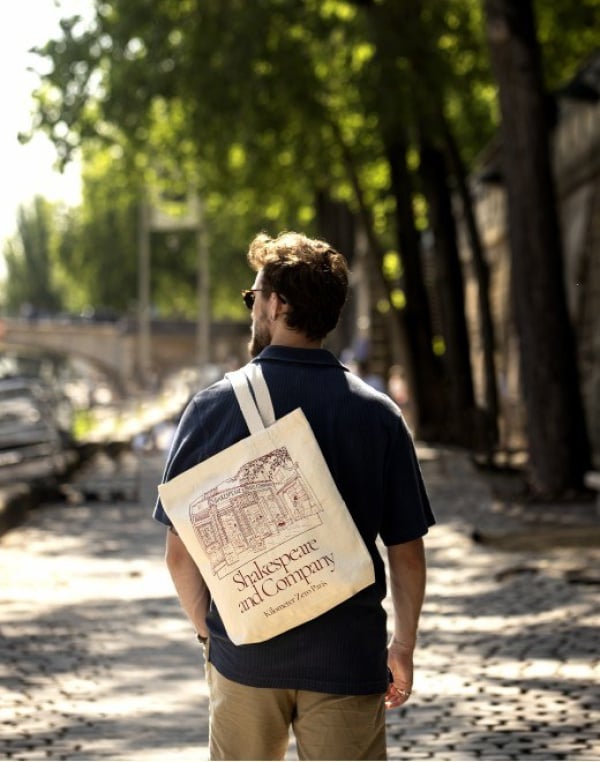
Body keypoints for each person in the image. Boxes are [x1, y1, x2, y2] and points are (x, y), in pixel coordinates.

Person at [153, 231, 435, 761]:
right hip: (348, 659)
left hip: (247, 659)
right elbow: (407, 552)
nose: (252, 309)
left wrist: (215, 637)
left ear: (277, 303)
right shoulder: (378, 415)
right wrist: (402, 648)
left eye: (252, 297)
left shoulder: (211, 409)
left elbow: (178, 554)